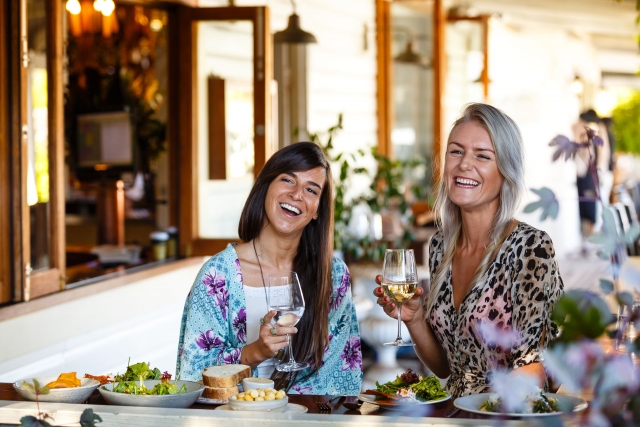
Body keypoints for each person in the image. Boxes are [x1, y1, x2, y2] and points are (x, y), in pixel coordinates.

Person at [374, 103, 564, 398]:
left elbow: (538, 369)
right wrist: (413, 318)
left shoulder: (531, 248)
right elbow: (446, 368)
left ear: (505, 171)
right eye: (456, 151)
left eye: (482, 156)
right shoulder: (439, 246)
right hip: (453, 414)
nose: (464, 164)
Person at [176, 142, 363, 395]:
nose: (297, 195)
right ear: (265, 187)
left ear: (318, 210)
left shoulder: (333, 276)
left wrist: (282, 409)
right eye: (288, 180)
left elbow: (342, 375)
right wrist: (255, 352)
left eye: (311, 189)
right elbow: (192, 377)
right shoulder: (216, 276)